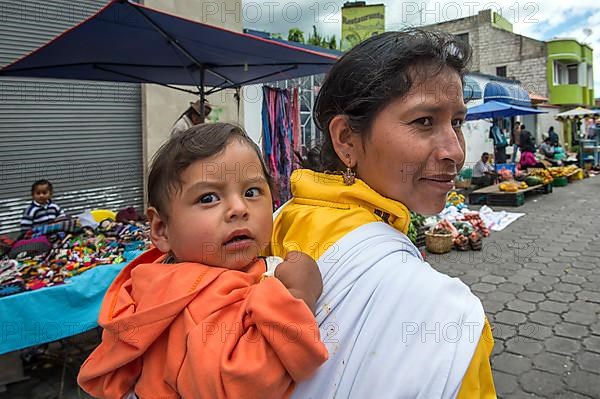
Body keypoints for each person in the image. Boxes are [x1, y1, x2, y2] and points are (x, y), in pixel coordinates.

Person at [270, 30, 496, 398]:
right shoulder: (449, 318)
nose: (455, 151)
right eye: (424, 121)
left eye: (457, 122)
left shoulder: (281, 218)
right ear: (346, 140)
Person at [78, 124, 328, 399]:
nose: (239, 209)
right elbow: (243, 386)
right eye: (208, 198)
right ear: (161, 229)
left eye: (252, 192)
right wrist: (299, 295)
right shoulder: (198, 295)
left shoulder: (161, 275)